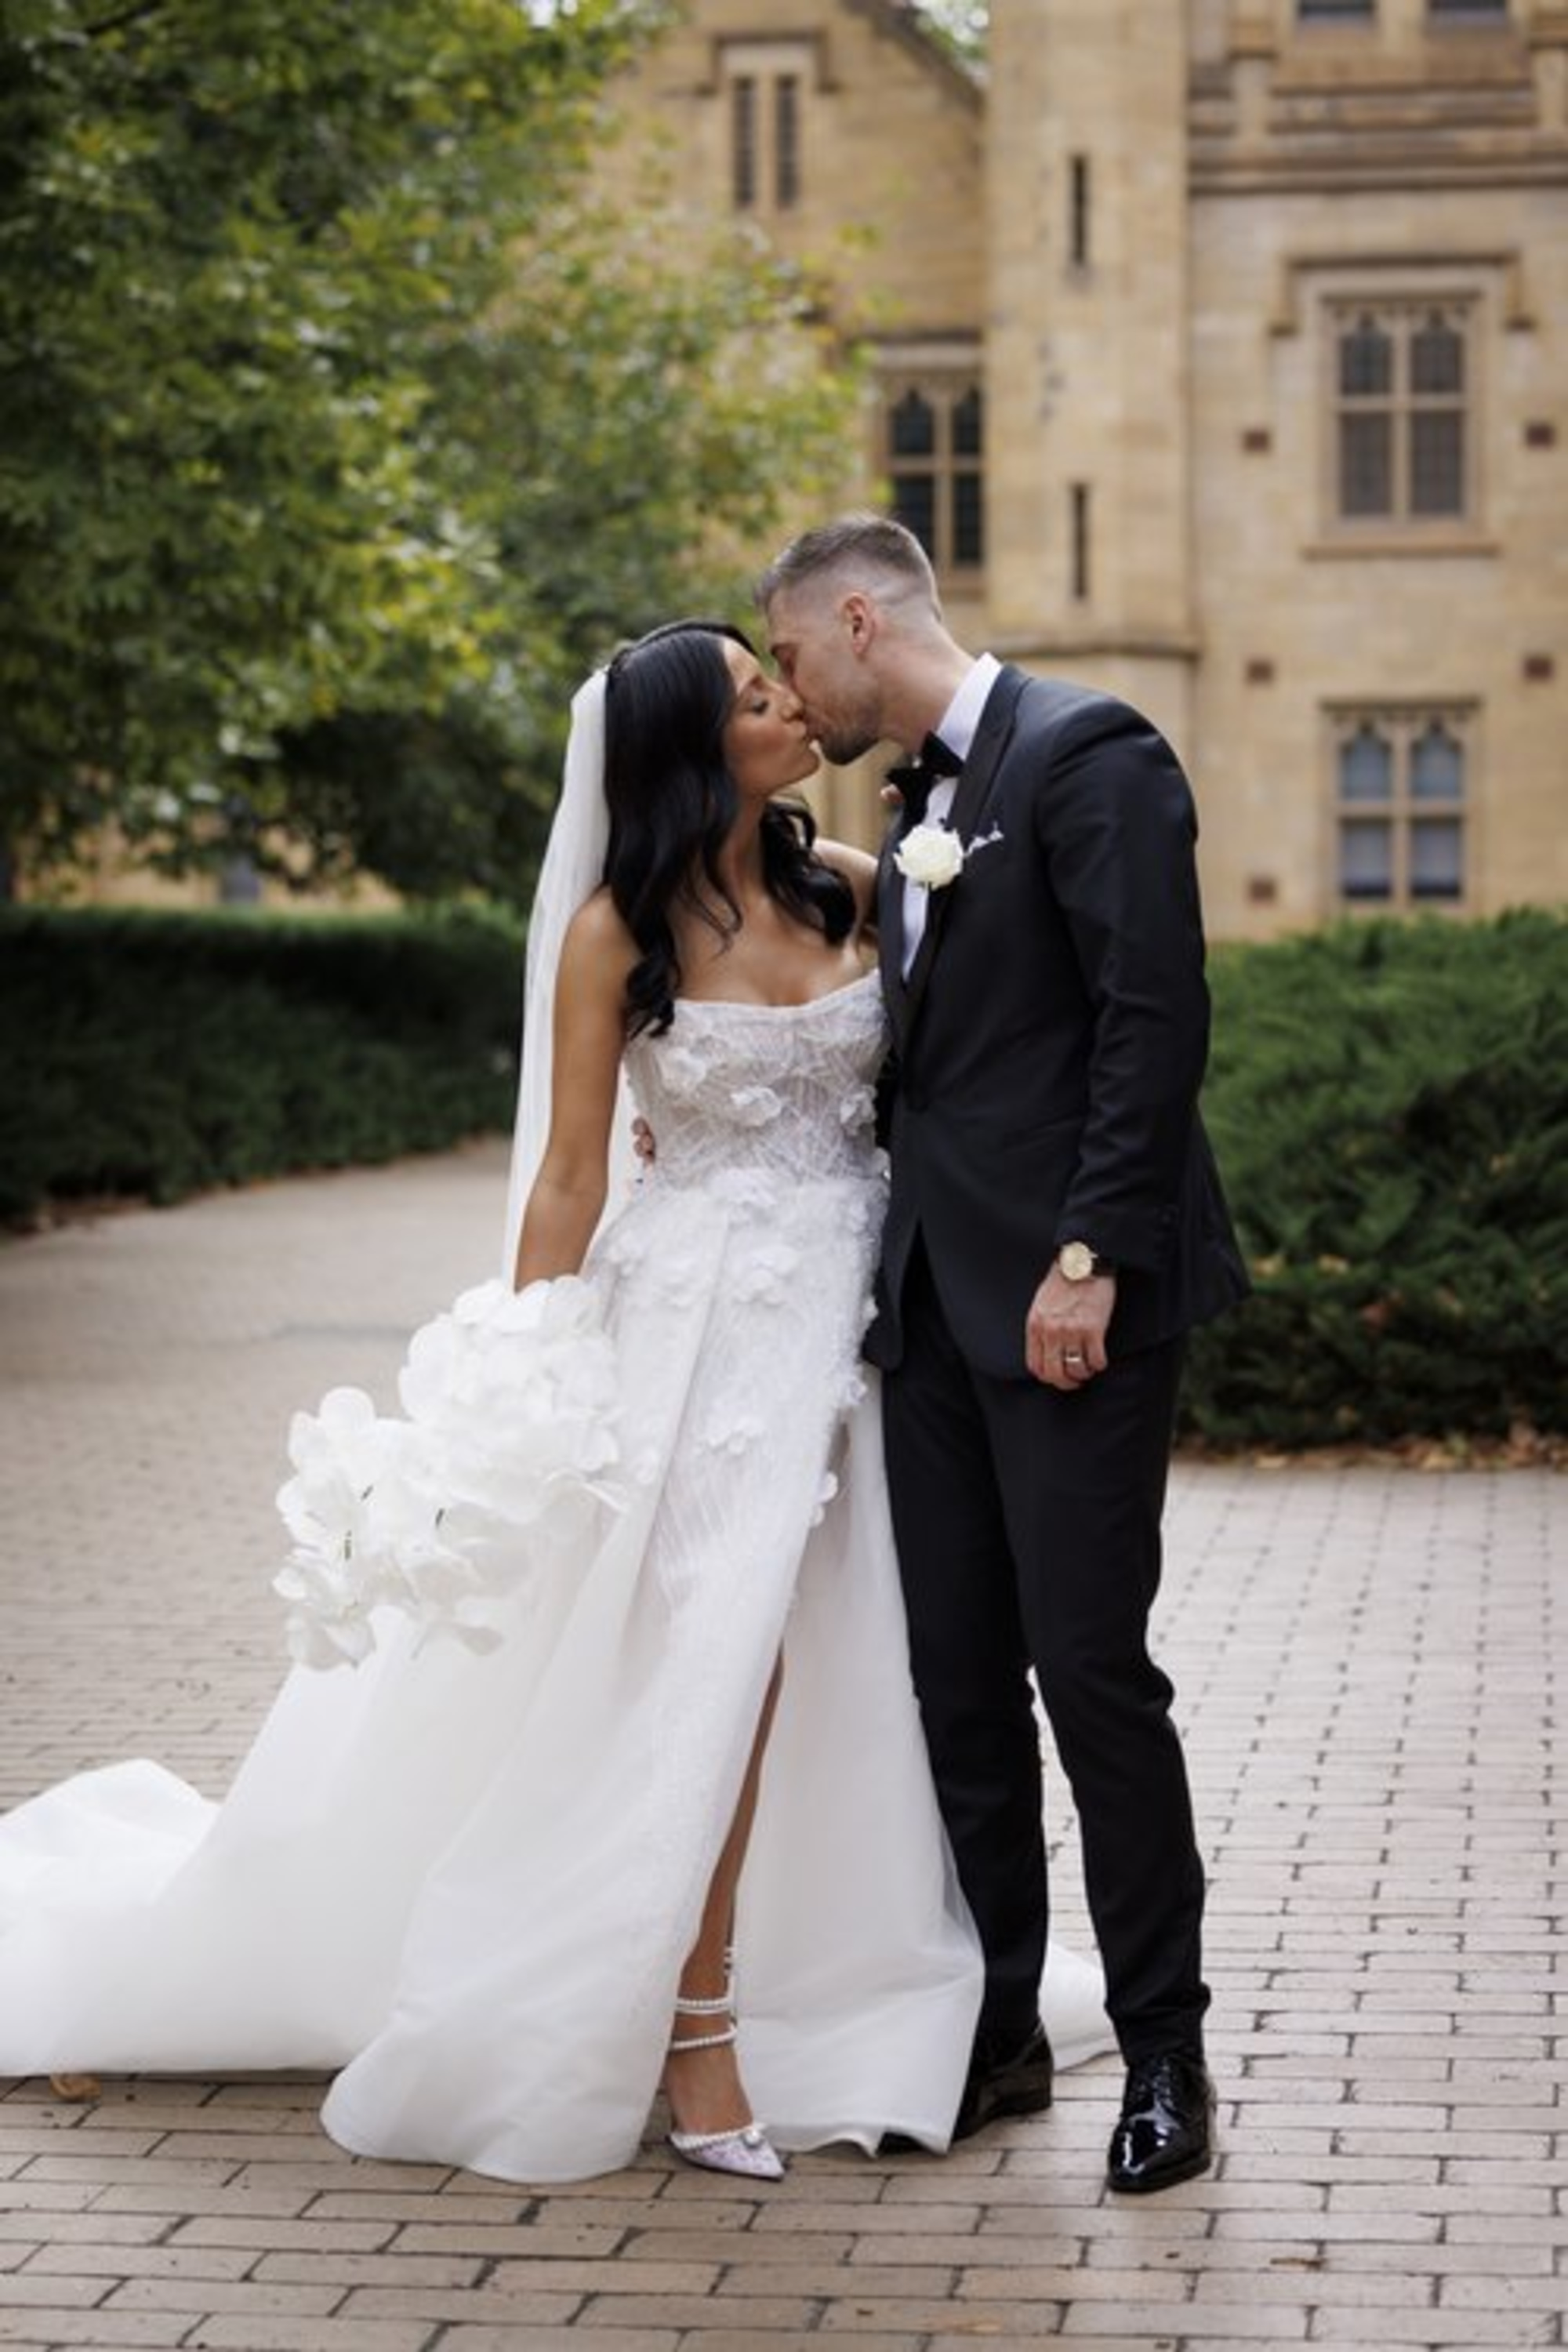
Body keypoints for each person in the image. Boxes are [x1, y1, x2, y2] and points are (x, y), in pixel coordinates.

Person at [0, 619, 1111, 2187]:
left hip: (857, 1325)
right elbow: (573, 1176)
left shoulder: (855, 885)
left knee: (853, 1656)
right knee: (721, 1668)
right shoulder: (615, 934)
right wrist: (511, 1385)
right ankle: (694, 2019)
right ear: (681, 752)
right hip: (698, 1338)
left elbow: (981, 1051)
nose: (790, 704)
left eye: (777, 678)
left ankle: (837, 1964)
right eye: (750, 696)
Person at [757, 516, 1250, 2193]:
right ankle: (1000, 2033)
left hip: (1066, 1307)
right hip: (931, 1312)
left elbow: (1151, 1021)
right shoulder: (910, 811)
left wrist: (1090, 1257)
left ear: (853, 619)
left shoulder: (1089, 751)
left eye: (792, 662)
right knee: (955, 1684)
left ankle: (1168, 2057)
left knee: (1092, 1678)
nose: (792, 697)